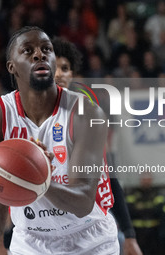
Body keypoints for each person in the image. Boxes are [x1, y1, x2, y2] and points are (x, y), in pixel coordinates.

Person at [0, 26, 119, 255]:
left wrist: (37, 179)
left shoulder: (86, 112)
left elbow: (83, 202)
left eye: (46, 49)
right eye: (28, 51)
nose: (39, 55)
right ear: (12, 67)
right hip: (31, 241)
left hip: (89, 238)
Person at [53, 37, 142, 255]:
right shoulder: (25, 113)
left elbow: (111, 180)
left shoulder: (85, 105)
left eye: (65, 68)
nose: (59, 74)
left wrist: (129, 234)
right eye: (54, 67)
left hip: (91, 225)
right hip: (49, 228)